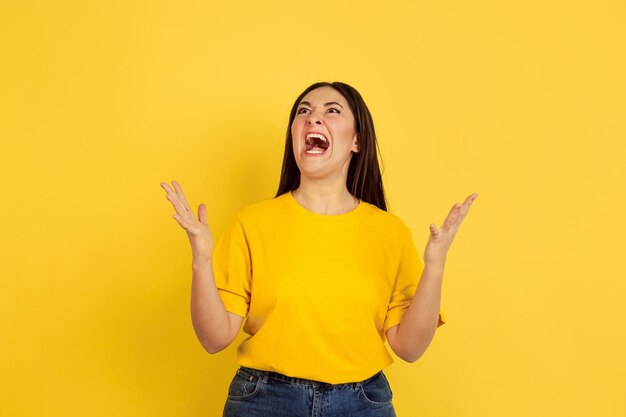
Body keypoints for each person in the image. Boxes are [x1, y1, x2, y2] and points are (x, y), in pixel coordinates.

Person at [160, 81, 478, 416]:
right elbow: (214, 339)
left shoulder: (390, 233)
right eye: (304, 111)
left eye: (332, 111)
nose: (313, 118)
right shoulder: (252, 223)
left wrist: (435, 266)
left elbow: (410, 348)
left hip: (362, 403)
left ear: (357, 140)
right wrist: (201, 260)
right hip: (264, 401)